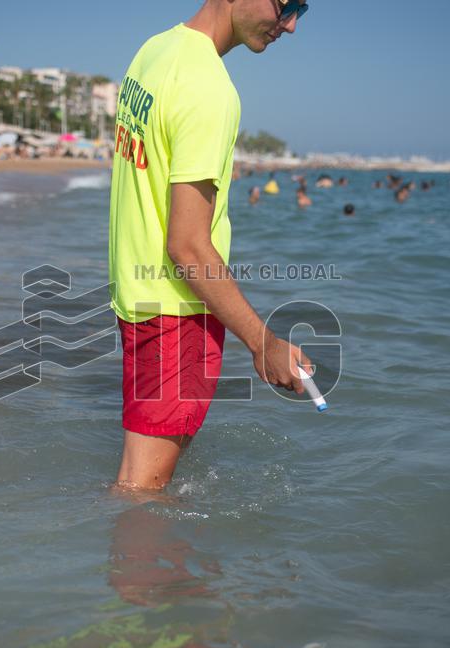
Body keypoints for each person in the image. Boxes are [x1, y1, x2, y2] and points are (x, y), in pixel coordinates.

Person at [108, 0, 311, 492]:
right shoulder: (210, 91)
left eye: (303, 9)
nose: (291, 24)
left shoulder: (155, 51)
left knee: (147, 484)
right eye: (287, 5)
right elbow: (189, 247)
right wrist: (264, 344)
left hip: (137, 299)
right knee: (142, 495)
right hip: (177, 314)